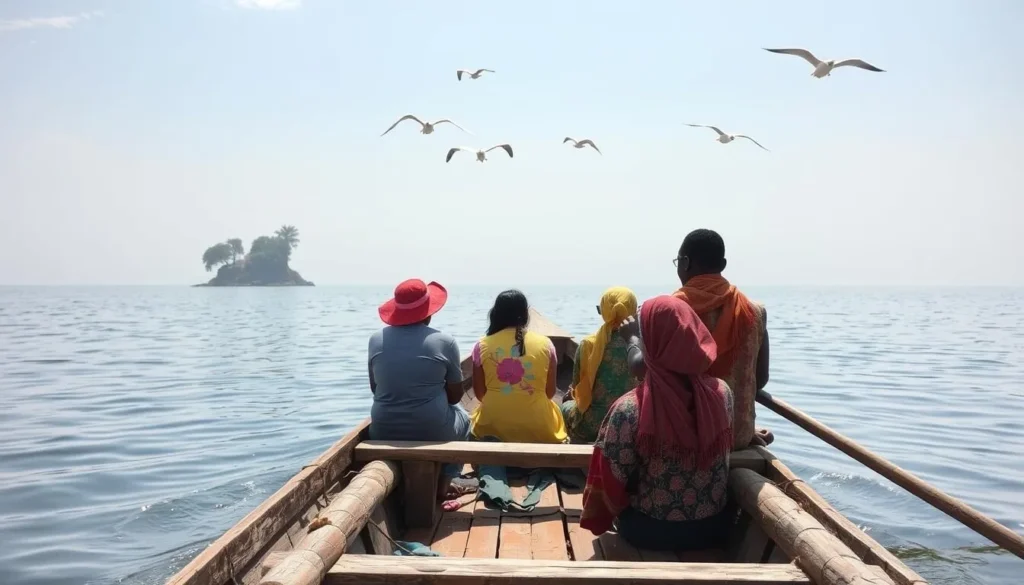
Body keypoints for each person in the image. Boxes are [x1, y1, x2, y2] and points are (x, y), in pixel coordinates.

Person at [580, 295, 734, 551]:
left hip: (649, 530)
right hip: (713, 528)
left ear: (651, 343)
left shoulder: (629, 409)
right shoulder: (723, 393)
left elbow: (611, 484)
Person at [367, 278, 470, 498]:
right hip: (431, 429)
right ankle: (446, 479)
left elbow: (375, 390)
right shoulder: (445, 342)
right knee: (465, 418)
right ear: (429, 312)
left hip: (383, 429)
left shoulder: (376, 339)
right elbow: (455, 397)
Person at [672, 229, 771, 449]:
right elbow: (760, 379)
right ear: (723, 265)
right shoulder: (755, 312)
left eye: (678, 261)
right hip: (738, 436)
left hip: (688, 437)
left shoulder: (672, 309)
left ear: (685, 262)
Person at [470, 290, 567, 443]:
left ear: (495, 314)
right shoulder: (547, 345)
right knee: (558, 412)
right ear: (525, 315)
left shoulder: (481, 345)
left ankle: (493, 465)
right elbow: (549, 393)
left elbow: (480, 395)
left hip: (493, 425)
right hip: (539, 427)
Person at [560, 286, 640, 443]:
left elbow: (578, 387)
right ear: (633, 310)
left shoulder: (588, 344)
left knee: (564, 406)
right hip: (633, 426)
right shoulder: (642, 345)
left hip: (592, 427)